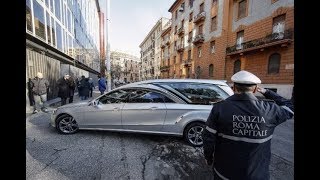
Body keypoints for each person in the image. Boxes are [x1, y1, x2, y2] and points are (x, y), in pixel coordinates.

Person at [203, 70, 294, 180]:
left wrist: (208, 158)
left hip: (224, 173)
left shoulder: (219, 108)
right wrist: (266, 92)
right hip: (257, 175)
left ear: (234, 88)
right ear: (255, 89)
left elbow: (208, 137)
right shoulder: (270, 110)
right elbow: (290, 107)